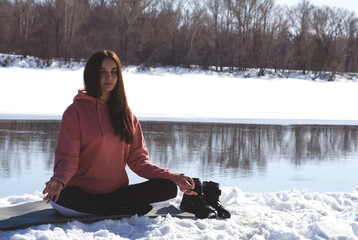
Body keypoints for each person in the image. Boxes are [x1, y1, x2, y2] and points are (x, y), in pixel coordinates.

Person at [42, 50, 196, 216]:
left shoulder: (125, 114)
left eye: (114, 71)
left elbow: (139, 161)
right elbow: (68, 157)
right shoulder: (75, 112)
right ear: (92, 74)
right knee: (61, 198)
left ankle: (115, 208)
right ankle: (123, 208)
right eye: (103, 72)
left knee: (167, 188)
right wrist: (59, 180)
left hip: (117, 193)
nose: (109, 77)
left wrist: (174, 177)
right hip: (82, 194)